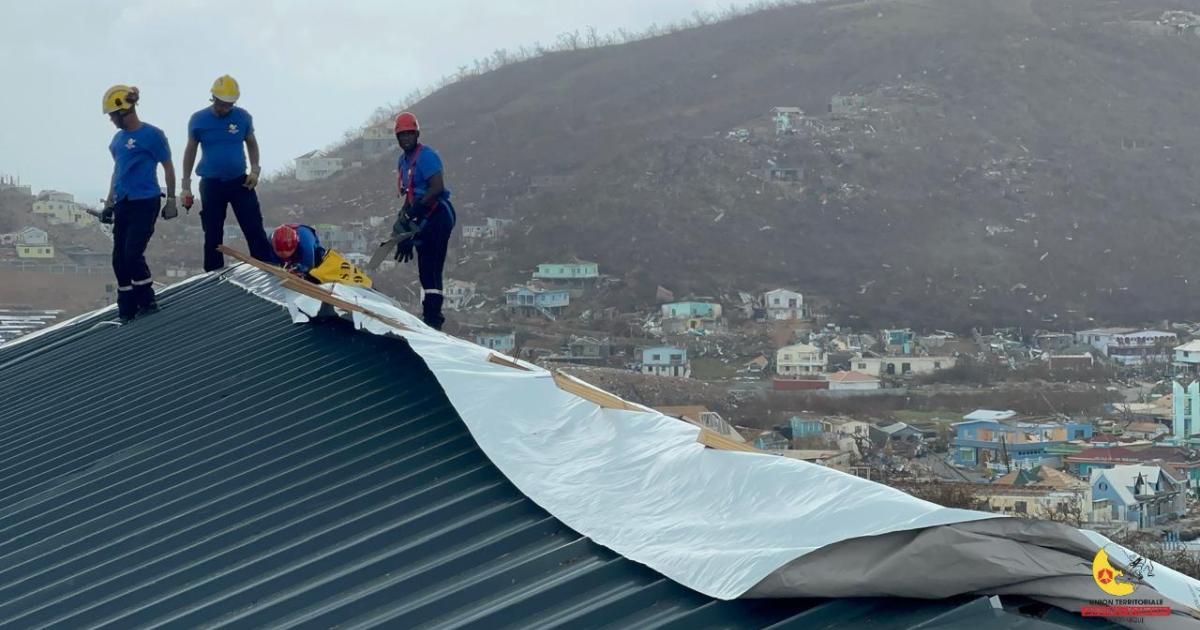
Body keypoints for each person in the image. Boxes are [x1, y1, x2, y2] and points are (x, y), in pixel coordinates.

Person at [181, 75, 276, 271]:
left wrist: (255, 170)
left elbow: (251, 142)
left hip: (240, 182)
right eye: (221, 104)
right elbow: (190, 150)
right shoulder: (198, 120)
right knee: (213, 232)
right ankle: (213, 274)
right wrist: (185, 185)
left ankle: (267, 268)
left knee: (254, 227)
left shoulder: (242, 117)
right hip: (211, 184)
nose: (225, 108)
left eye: (229, 105)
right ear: (213, 99)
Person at [101, 85, 177, 322]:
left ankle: (147, 301)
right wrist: (110, 202)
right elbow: (118, 171)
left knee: (133, 253)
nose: (112, 120)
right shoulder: (117, 141)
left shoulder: (153, 136)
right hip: (124, 202)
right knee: (119, 258)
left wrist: (172, 199)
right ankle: (127, 307)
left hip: (146, 202)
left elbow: (167, 166)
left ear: (125, 111)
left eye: (113, 116)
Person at [392, 111, 456, 330]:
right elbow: (409, 196)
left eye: (410, 134)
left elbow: (437, 188)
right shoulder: (403, 161)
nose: (406, 138)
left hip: (438, 214)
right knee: (424, 268)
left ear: (417, 134)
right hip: (421, 213)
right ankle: (429, 315)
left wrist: (414, 211)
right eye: (403, 135)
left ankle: (434, 318)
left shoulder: (426, 156)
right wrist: (402, 224)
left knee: (432, 265)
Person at [271, 224, 373, 288]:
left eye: (287, 254)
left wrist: (298, 272)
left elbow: (307, 267)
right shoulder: (273, 240)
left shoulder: (305, 241)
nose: (284, 256)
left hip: (323, 263)